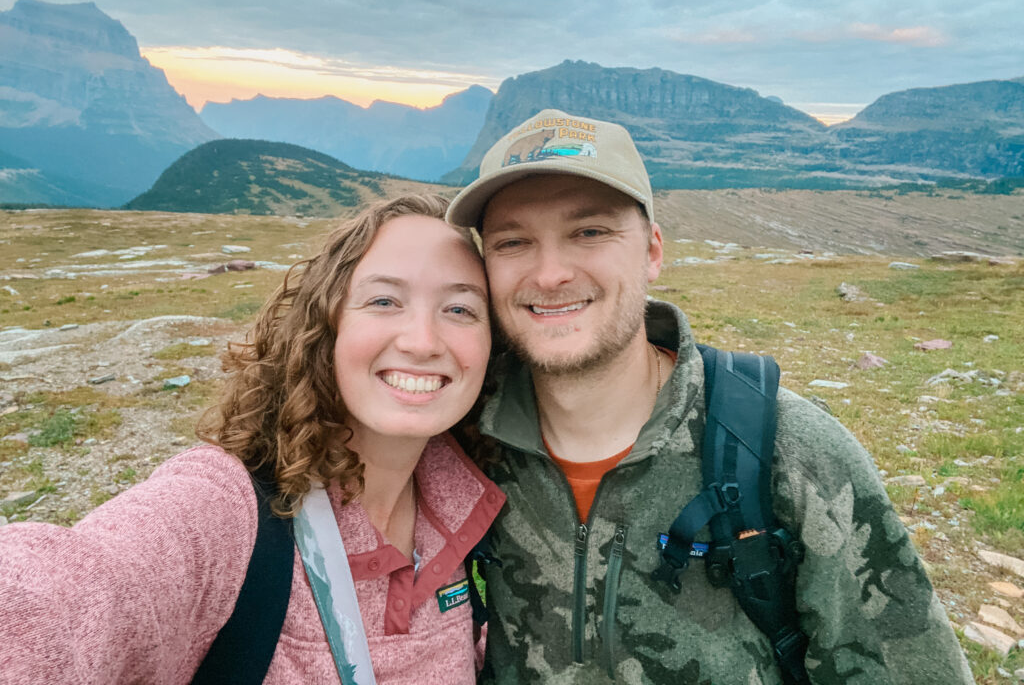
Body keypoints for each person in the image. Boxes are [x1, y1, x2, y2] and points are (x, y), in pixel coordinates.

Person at [446, 109, 974, 684]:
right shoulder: (458, 437)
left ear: (652, 252)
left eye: (590, 232)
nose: (550, 274)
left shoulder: (790, 450)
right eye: (513, 242)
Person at [0, 194, 504, 684]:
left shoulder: (472, 504)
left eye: (460, 310)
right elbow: (64, 593)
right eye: (383, 301)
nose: (422, 341)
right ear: (326, 325)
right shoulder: (227, 511)